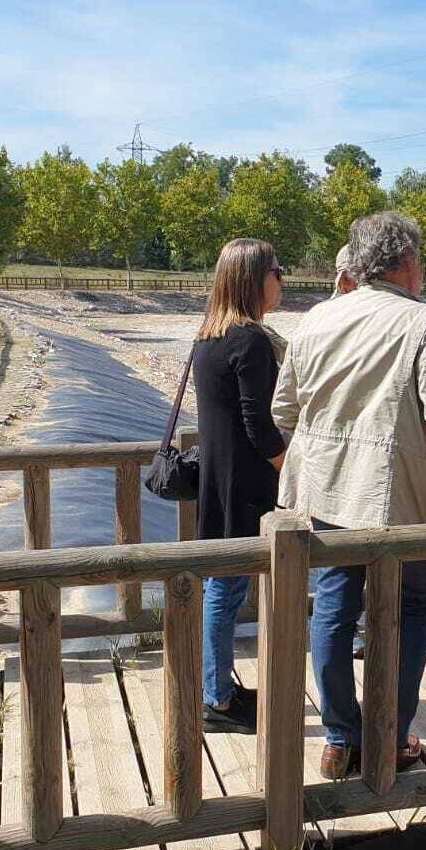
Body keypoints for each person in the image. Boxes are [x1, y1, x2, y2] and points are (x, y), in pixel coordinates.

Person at [273, 211, 426, 779]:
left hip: (324, 491)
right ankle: (392, 737)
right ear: (407, 262)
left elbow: (282, 409)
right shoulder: (423, 321)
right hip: (396, 497)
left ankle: (339, 738)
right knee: (411, 608)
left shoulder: (316, 319)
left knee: (334, 609)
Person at [193, 238, 287, 734]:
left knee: (220, 585)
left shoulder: (208, 337)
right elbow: (261, 427)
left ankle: (217, 689)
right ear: (253, 279)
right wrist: (290, 467)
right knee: (226, 590)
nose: (282, 280)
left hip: (218, 478)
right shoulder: (249, 341)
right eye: (276, 271)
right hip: (246, 483)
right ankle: (218, 700)